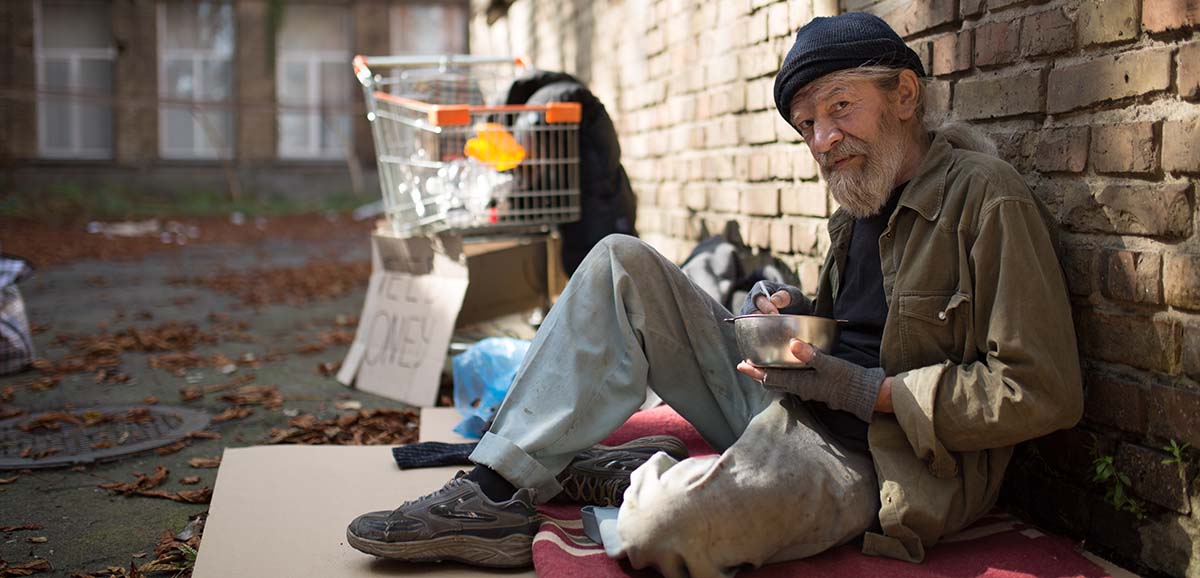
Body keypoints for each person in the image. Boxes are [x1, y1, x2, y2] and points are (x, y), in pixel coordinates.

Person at [346, 12, 1084, 577]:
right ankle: (496, 489)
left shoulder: (987, 199)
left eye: (839, 108)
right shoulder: (861, 200)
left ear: (905, 94)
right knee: (619, 261)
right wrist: (797, 317)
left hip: (877, 462)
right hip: (798, 400)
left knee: (656, 530)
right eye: (807, 126)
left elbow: (1042, 391)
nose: (823, 140)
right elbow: (855, 328)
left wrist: (866, 390)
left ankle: (640, 475)